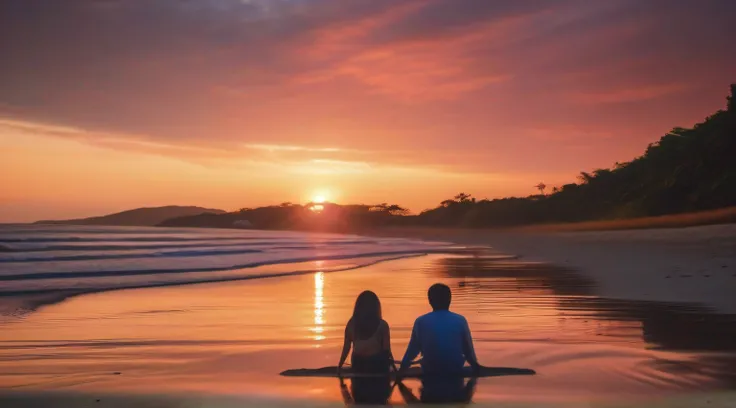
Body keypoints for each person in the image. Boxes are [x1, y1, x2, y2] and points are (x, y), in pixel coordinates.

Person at [399, 283, 480, 376]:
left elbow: (412, 351)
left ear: (430, 301)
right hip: (455, 369)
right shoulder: (460, 320)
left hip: (430, 369)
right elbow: (468, 351)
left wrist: (402, 369)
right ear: (450, 300)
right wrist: (475, 367)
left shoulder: (420, 321)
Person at [338, 290, 396, 375]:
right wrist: (394, 368)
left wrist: (339, 366)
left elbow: (346, 348)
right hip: (376, 366)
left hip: (358, 364)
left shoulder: (351, 323)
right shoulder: (383, 325)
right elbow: (387, 351)